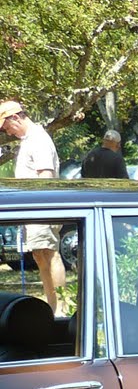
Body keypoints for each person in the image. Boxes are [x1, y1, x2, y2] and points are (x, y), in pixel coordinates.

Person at [0, 99, 67, 316]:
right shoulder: (28, 140)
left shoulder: (38, 139)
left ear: (16, 118)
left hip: (43, 209)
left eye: (6, 126)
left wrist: (38, 209)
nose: (7, 131)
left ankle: (62, 310)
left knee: (50, 254)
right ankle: (52, 306)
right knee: (41, 256)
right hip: (35, 210)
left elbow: (45, 176)